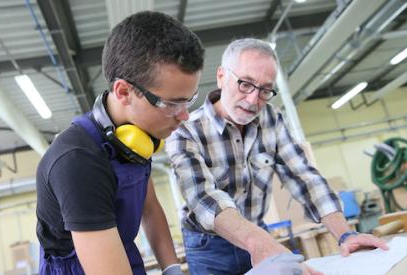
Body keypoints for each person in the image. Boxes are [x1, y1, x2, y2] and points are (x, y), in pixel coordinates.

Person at [166, 38, 388, 275]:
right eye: (245, 84)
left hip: (259, 232)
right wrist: (259, 242)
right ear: (221, 76)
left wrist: (346, 234)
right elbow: (204, 196)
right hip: (209, 246)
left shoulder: (272, 119)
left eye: (264, 90)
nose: (253, 100)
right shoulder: (185, 130)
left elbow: (304, 177)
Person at [35, 11, 204, 275]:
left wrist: (171, 268)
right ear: (124, 92)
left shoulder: (135, 139)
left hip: (122, 254)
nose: (184, 116)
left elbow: (150, 208)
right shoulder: (77, 161)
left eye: (189, 100)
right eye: (171, 103)